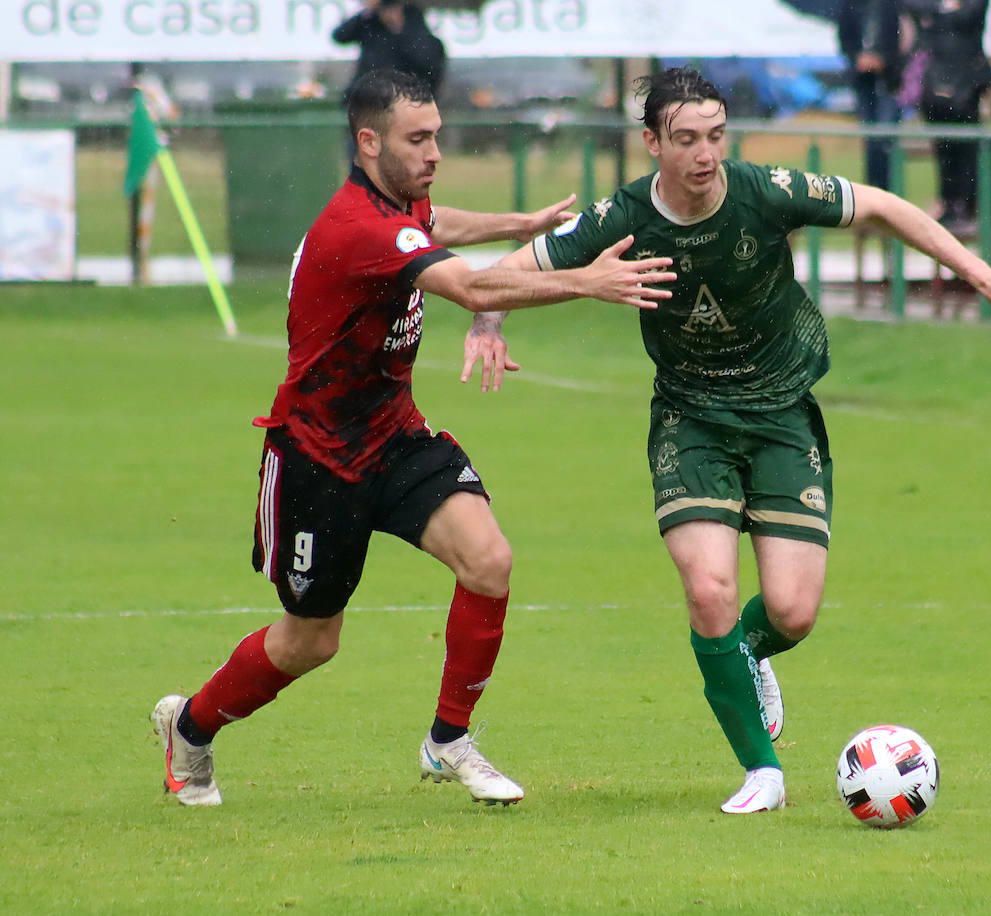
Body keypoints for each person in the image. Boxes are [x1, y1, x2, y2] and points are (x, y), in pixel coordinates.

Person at [461, 68, 991, 814]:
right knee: (708, 588)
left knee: (794, 611)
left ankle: (746, 654)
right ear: (652, 143)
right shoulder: (622, 216)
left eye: (715, 134)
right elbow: (506, 270)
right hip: (692, 420)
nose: (705, 153)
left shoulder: (765, 190)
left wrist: (983, 275)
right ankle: (763, 773)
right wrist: (490, 319)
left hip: (781, 413)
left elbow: (882, 204)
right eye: (686, 139)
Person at [150, 69, 675, 808]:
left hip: (394, 434)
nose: (434, 152)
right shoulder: (358, 227)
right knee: (311, 641)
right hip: (318, 457)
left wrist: (516, 223)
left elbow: (433, 220)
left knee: (489, 560)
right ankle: (192, 727)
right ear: (369, 143)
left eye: (436, 136)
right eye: (417, 138)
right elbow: (475, 290)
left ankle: (448, 740)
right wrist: (587, 281)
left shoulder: (398, 199)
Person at [909, 0, 991, 230]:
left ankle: (963, 206)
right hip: (935, 85)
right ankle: (948, 203)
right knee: (943, 149)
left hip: (965, 83)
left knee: (966, 148)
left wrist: (940, 14)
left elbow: (967, 17)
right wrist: (942, 11)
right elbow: (916, 9)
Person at [837, 0, 911, 193]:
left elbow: (905, 38)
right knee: (871, 141)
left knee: (886, 140)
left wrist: (883, 60)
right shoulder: (850, 5)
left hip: (890, 80)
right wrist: (858, 59)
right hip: (863, 81)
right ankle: (873, 193)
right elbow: (844, 37)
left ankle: (888, 194)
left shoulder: (893, 5)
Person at [333, 0, 446, 102]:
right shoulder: (370, 22)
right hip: (368, 96)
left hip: (404, 99)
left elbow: (425, 61)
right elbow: (340, 35)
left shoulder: (414, 21)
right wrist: (367, 12)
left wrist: (398, 28)